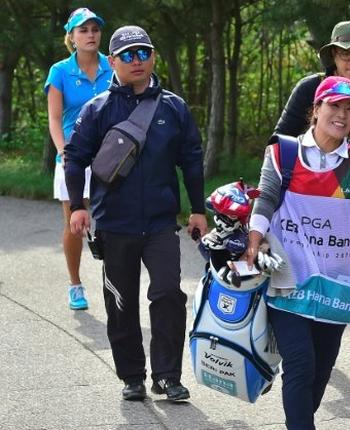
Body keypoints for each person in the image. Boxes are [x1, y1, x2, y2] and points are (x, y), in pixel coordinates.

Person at [65, 25, 206, 402]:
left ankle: (167, 376)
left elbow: (191, 160)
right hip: (115, 224)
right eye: (127, 55)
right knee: (121, 303)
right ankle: (132, 376)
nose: (136, 61)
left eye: (142, 52)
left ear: (154, 56)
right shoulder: (98, 109)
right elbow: (75, 159)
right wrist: (78, 206)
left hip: (160, 223)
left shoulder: (174, 108)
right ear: (112, 61)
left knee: (168, 295)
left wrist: (198, 209)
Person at [246, 76, 350, 429]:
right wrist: (255, 236)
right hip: (288, 279)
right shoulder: (283, 153)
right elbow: (266, 197)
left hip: (335, 286)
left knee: (320, 371)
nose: (342, 114)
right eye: (335, 106)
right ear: (316, 109)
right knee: (301, 363)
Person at [274, 20, 350, 384]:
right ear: (333, 55)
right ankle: (295, 340)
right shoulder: (310, 88)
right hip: (306, 196)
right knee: (302, 267)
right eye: (346, 54)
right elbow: (280, 136)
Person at [45, 7, 112, 311]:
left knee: (114, 220)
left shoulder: (113, 66)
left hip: (112, 155)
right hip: (74, 155)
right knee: (75, 222)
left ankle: (115, 281)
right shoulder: (60, 71)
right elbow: (55, 119)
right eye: (83, 30)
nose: (90, 35)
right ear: (71, 37)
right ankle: (75, 284)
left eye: (94, 29)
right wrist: (63, 151)